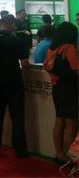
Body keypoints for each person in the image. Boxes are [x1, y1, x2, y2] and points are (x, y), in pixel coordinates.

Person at [0, 14, 30, 158]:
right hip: (13, 83)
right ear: (12, 24)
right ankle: (20, 149)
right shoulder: (17, 41)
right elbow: (25, 63)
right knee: (17, 117)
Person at [44, 22, 78, 164]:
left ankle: (59, 154)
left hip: (57, 88)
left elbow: (47, 66)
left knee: (59, 121)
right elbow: (76, 69)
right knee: (71, 124)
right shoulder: (69, 48)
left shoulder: (51, 49)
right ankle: (70, 157)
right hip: (71, 89)